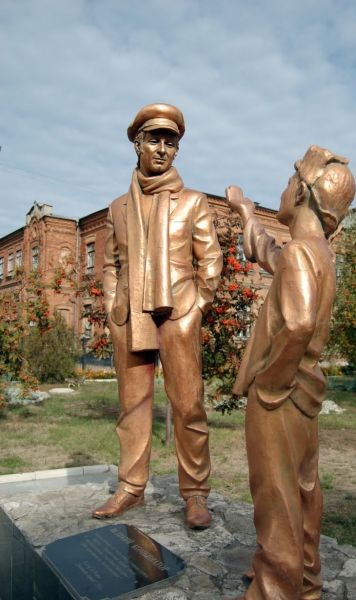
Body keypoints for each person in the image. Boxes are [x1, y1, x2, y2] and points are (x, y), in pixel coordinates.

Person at [225, 145, 356, 600]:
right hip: (305, 392)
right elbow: (271, 257)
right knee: (302, 489)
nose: (281, 190)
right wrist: (244, 213)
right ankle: (306, 580)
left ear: (302, 190)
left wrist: (271, 382)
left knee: (275, 495)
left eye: (287, 182)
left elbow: (298, 322)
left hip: (281, 394)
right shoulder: (317, 252)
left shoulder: (300, 253)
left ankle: (274, 589)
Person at [92, 103, 222, 528]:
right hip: (130, 315)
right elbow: (109, 263)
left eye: (171, 142)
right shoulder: (117, 209)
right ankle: (131, 488)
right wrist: (114, 305)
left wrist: (197, 305)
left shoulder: (193, 202)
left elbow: (212, 261)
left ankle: (196, 494)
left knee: (188, 406)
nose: (163, 149)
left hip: (179, 313)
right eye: (154, 140)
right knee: (132, 407)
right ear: (138, 145)